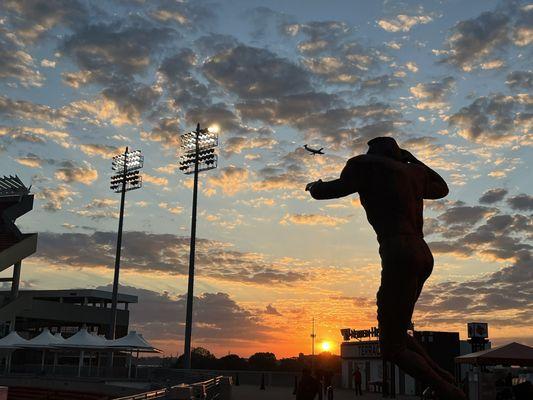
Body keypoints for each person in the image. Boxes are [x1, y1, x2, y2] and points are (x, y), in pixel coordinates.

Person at [306, 137, 466, 400]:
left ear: (376, 151)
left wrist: (314, 186)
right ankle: (444, 378)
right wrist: (412, 158)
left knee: (391, 348)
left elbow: (333, 190)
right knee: (397, 332)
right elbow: (443, 188)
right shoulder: (415, 173)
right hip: (423, 253)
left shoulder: (366, 164)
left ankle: (447, 391)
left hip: (397, 250)